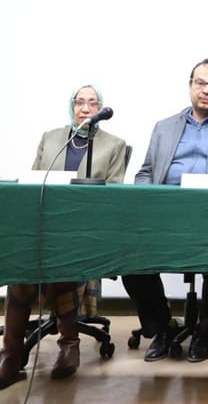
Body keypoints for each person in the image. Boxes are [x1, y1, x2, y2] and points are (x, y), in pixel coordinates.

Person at [122, 59, 208, 363]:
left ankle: (204, 332)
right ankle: (163, 328)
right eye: (200, 83)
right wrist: (150, 200)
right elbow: (145, 172)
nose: (205, 90)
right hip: (167, 217)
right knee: (130, 259)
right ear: (190, 86)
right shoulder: (164, 127)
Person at [0, 85, 127, 389]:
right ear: (72, 106)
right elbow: (31, 185)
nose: (86, 108)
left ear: (100, 108)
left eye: (92, 103)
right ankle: (11, 356)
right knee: (23, 267)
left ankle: (69, 345)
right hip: (45, 227)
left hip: (84, 232)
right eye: (80, 102)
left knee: (60, 261)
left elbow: (113, 197)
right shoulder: (51, 138)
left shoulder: (114, 145)